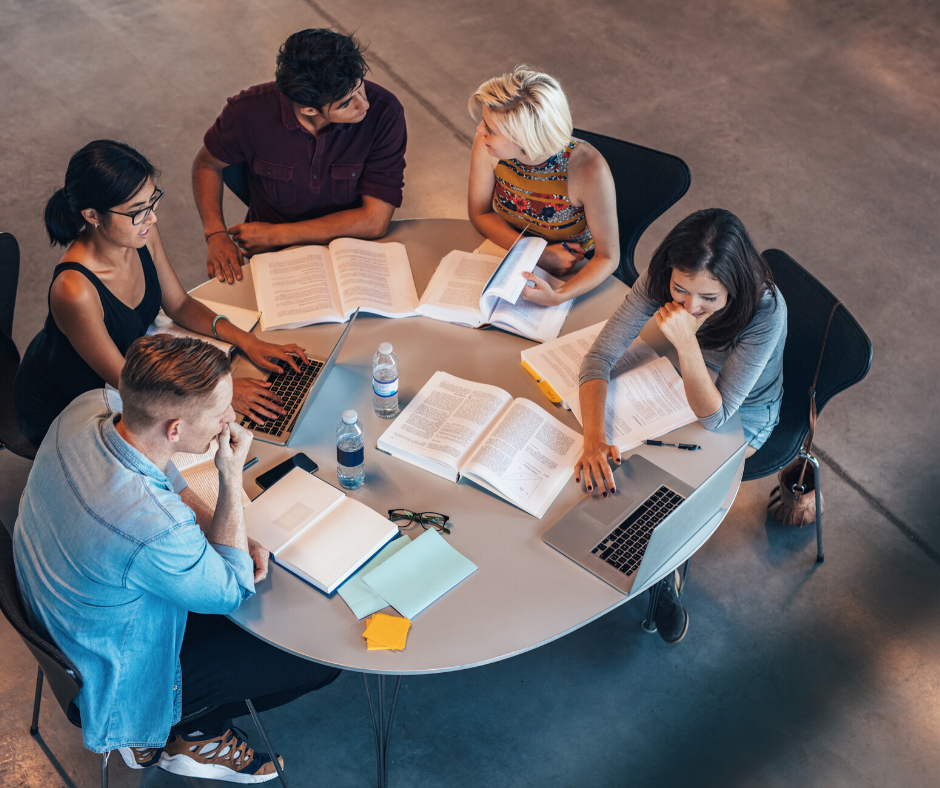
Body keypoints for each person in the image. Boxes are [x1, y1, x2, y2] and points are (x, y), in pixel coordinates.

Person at [14, 335, 341, 782]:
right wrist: (228, 478)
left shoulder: (87, 408)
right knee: (317, 659)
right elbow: (231, 588)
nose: (231, 418)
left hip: (59, 614)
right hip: (113, 677)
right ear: (174, 429)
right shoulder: (152, 524)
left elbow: (165, 473)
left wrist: (214, 529)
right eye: (220, 411)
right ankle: (187, 732)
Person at [575, 208, 787, 643]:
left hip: (745, 413)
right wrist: (594, 438)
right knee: (625, 457)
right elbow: (598, 359)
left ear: (735, 286)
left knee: (673, 482)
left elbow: (717, 416)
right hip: (677, 376)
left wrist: (687, 342)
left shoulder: (766, 312)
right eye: (681, 290)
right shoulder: (662, 279)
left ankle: (661, 578)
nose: (690, 306)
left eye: (709, 298)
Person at [14, 140, 305, 446]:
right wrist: (219, 392)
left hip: (130, 368)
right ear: (92, 215)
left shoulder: (142, 235)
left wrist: (247, 340)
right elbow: (128, 382)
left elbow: (179, 304)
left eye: (152, 202)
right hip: (69, 403)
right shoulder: (74, 291)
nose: (152, 218)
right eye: (137, 211)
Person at [193, 28, 407, 284]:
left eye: (360, 85)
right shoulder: (246, 114)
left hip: (351, 252)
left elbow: (374, 221)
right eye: (346, 102)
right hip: (275, 259)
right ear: (308, 109)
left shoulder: (385, 114)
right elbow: (207, 164)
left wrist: (277, 235)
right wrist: (216, 234)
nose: (364, 104)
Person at [467, 66, 619, 306]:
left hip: (572, 267)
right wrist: (540, 254)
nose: (479, 130)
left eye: (490, 129)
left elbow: (608, 257)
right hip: (512, 249)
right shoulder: (487, 146)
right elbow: (480, 213)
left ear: (525, 139)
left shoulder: (589, 169)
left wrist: (559, 296)